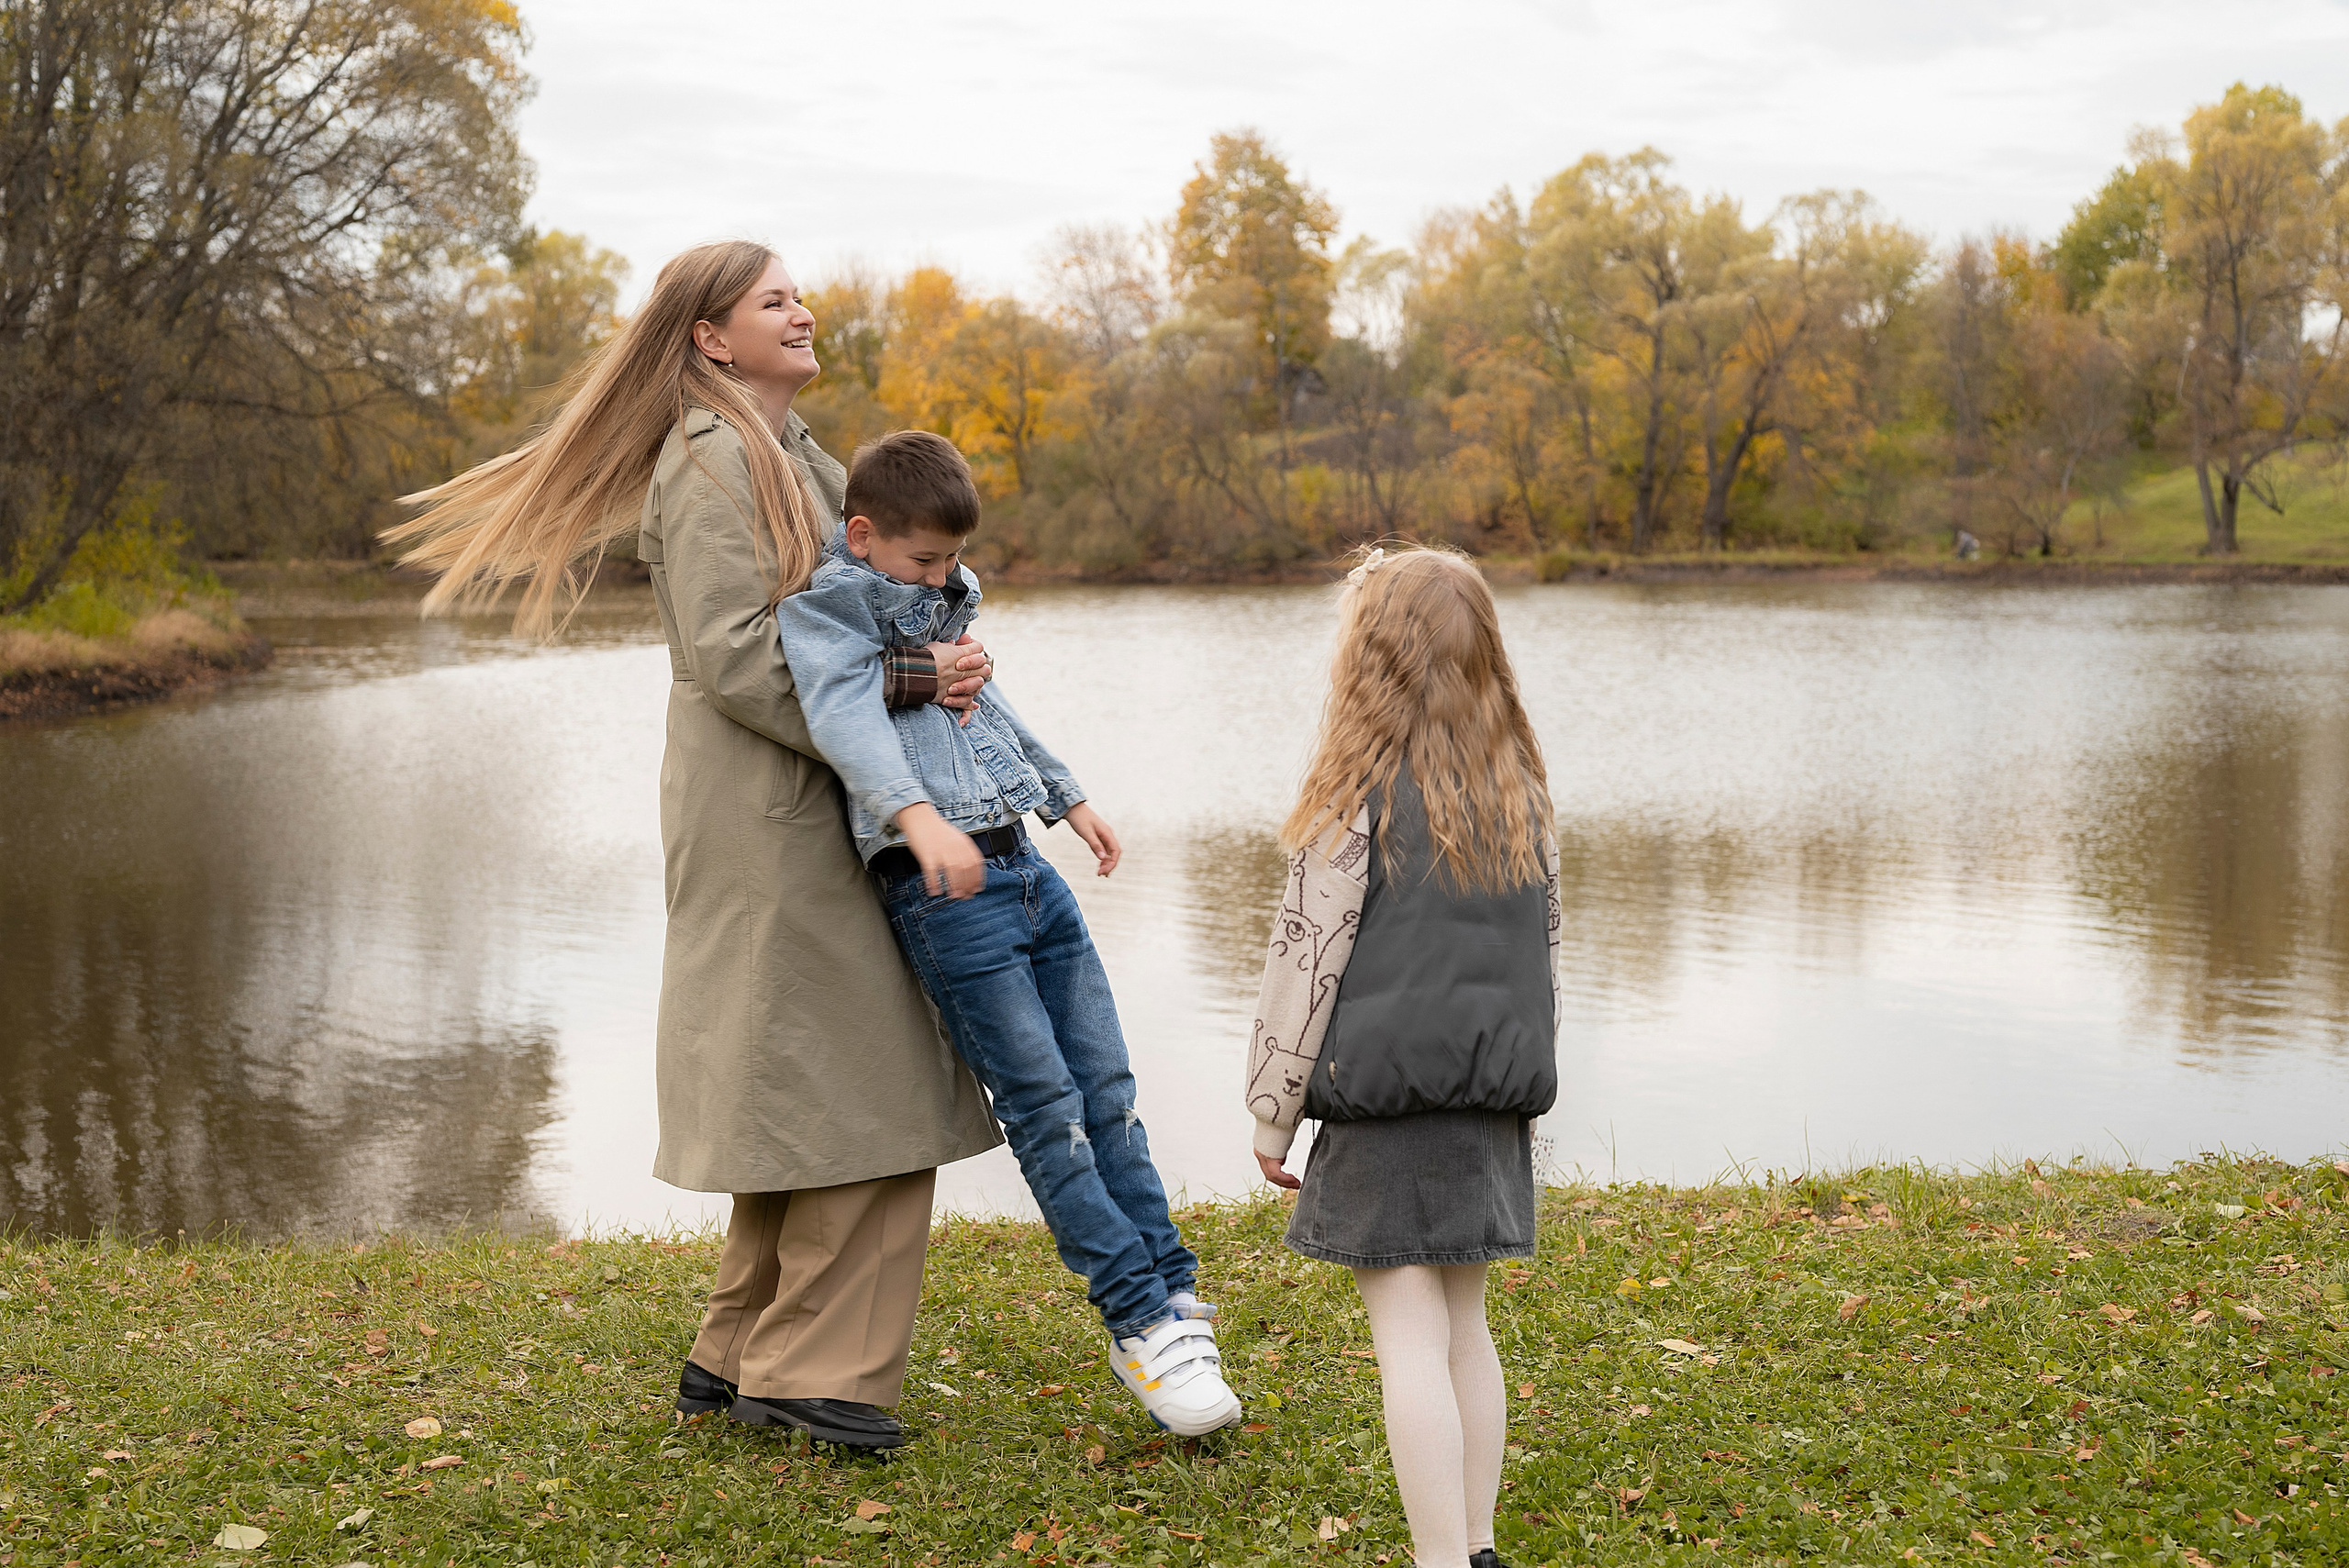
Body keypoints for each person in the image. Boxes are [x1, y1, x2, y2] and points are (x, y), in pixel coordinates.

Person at [385, 240, 1004, 1453]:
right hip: (771, 815)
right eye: (775, 300)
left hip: (807, 808)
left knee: (807, 1078)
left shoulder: (792, 452)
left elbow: (862, 595)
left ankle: (736, 1358)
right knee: (860, 1088)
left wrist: (946, 635)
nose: (805, 309)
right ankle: (812, 1376)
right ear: (712, 337)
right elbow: (736, 655)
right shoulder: (717, 463)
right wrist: (915, 680)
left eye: (800, 293)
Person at [774, 429, 1243, 1439]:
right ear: (861, 535)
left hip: (1024, 867)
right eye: (924, 561)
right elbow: (842, 714)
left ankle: (1173, 1289)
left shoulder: (936, 603)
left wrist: (1066, 797)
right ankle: (1134, 1321)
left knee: (1109, 1092)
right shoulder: (828, 609)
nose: (944, 577)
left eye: (949, 560)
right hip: (944, 885)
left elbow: (986, 709)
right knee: (1046, 1106)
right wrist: (914, 816)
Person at [1244, 545, 1561, 1568]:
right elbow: (1543, 955)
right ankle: (1474, 1544)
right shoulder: (1521, 796)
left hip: (1383, 1102)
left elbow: (1304, 967)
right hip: (1488, 1099)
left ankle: (1438, 1563)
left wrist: (1270, 1112)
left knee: (1408, 1340)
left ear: (1367, 660)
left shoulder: (1351, 799)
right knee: (1467, 1324)